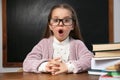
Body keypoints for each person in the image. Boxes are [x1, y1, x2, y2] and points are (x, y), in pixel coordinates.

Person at [23, 3, 94, 75]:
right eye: (56, 20)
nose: (60, 24)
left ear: (72, 26)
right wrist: (46, 66)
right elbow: (27, 63)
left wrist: (68, 67)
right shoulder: (43, 44)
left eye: (66, 20)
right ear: (50, 26)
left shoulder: (77, 44)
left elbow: (90, 60)